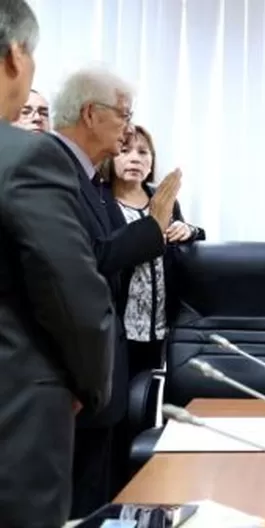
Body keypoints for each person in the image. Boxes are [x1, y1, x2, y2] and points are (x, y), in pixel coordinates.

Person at [0, 1, 117, 526]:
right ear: (16, 55)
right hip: (15, 421)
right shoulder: (23, 157)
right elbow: (74, 295)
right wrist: (89, 386)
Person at [48, 65, 182, 517]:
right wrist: (153, 225)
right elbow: (94, 257)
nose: (128, 129)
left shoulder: (79, 175)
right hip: (65, 371)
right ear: (91, 114)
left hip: (106, 359)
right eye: (123, 115)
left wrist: (169, 224)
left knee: (97, 485)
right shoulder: (57, 171)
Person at [98, 124, 204, 379]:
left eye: (143, 152)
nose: (135, 158)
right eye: (125, 150)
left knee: (147, 395)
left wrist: (188, 230)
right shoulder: (99, 199)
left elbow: (188, 242)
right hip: (118, 323)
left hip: (160, 322)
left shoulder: (162, 199)